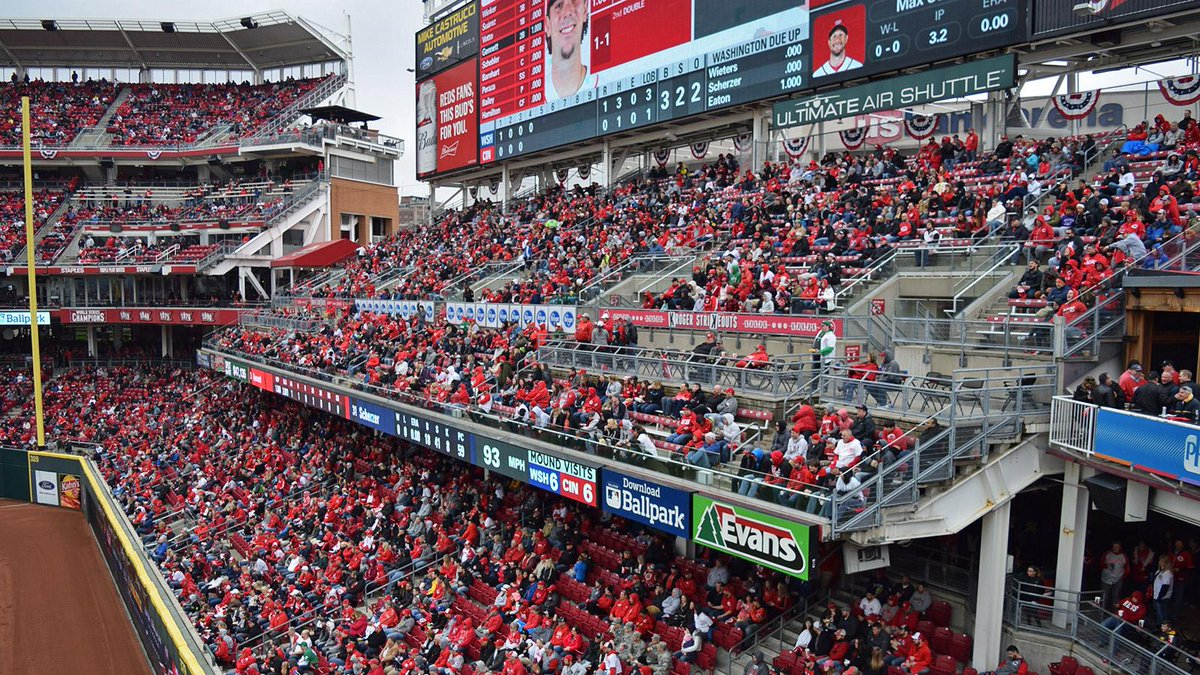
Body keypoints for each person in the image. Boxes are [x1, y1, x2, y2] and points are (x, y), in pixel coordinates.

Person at [544, 0, 595, 100]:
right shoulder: (534, 98)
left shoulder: (609, 88)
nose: (567, 12)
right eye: (559, 5)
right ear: (548, 25)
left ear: (585, 10)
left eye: (574, 1)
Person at [1100, 541, 1130, 611]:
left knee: (1116, 596)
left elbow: (1127, 567)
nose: (1115, 548)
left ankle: (1115, 613)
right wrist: (1107, 565)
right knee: (1105, 595)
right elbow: (1100, 564)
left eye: (1117, 546)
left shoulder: (1123, 556)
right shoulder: (1107, 554)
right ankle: (1102, 611)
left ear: (1120, 547)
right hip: (1106, 578)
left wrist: (1123, 576)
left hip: (1118, 578)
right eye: (1114, 546)